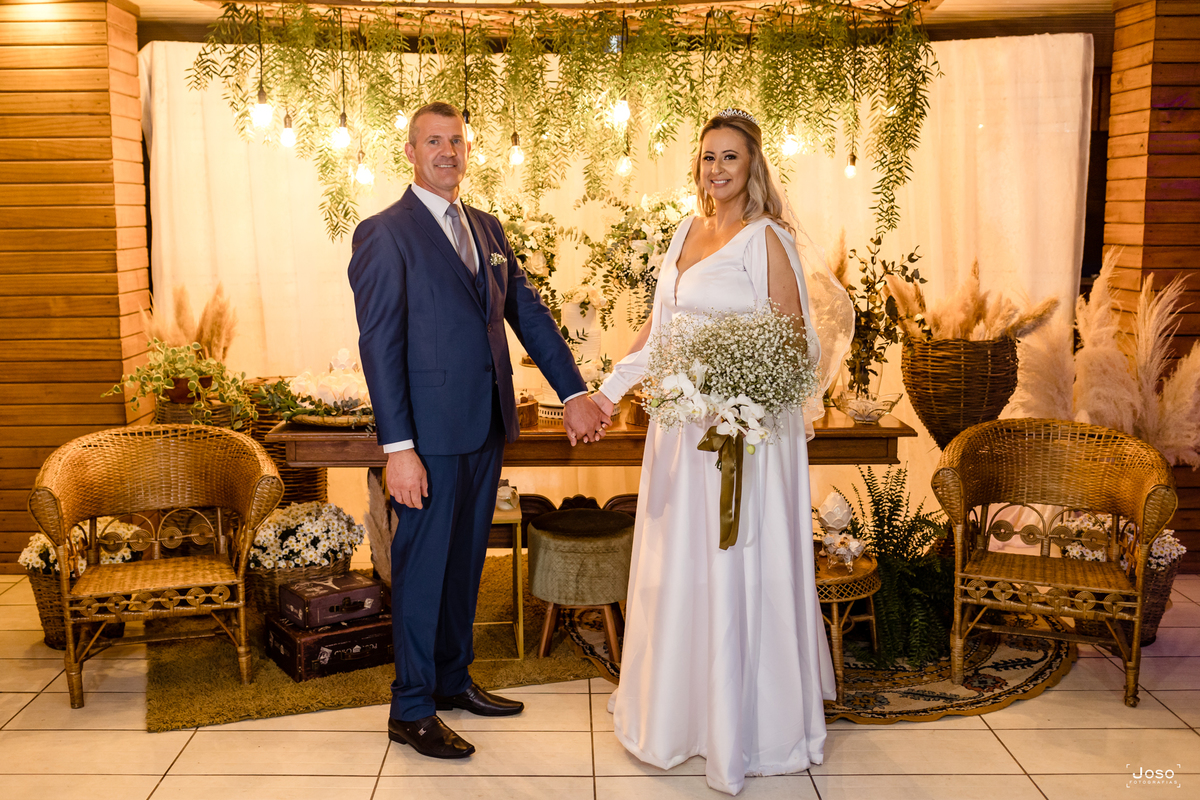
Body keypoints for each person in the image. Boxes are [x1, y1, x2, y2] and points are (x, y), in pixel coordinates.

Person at [347, 101, 610, 760]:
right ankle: (411, 708)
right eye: (434, 141)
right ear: (410, 152)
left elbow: (528, 314)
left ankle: (452, 680)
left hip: (486, 427)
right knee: (421, 572)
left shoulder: (487, 229)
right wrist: (399, 449)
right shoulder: (384, 233)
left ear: (468, 150)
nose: (448, 152)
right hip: (427, 440)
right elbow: (379, 346)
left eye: (457, 141)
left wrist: (574, 392)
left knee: (465, 565)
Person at [591, 109, 837, 795]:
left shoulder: (768, 239)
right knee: (682, 564)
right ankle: (677, 713)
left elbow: (793, 343)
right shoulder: (684, 231)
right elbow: (658, 329)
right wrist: (606, 393)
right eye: (708, 157)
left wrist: (733, 389)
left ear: (752, 166)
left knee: (734, 565)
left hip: (741, 436)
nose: (717, 168)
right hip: (679, 435)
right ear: (696, 165)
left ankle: (746, 726)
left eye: (730, 156)